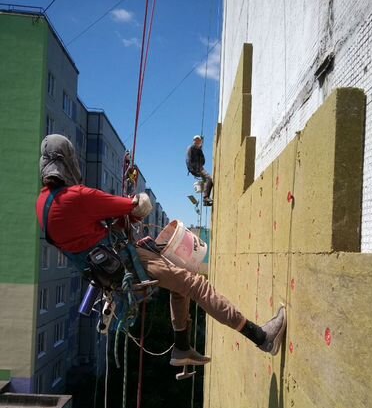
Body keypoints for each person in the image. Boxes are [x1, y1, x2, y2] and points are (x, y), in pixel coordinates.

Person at [36, 135, 287, 368]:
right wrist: (135, 204)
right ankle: (262, 337)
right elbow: (138, 206)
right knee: (197, 285)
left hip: (108, 276)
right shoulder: (77, 196)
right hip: (129, 264)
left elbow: (84, 235)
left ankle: (181, 347)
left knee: (181, 281)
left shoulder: (42, 207)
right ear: (69, 161)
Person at [186, 135, 213, 206]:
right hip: (196, 168)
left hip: (199, 168)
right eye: (196, 140)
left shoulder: (198, 148)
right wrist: (193, 169)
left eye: (199, 140)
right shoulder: (191, 148)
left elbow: (200, 147)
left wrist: (202, 140)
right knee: (209, 179)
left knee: (207, 181)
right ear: (193, 141)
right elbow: (188, 160)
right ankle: (206, 198)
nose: (197, 142)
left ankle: (206, 200)